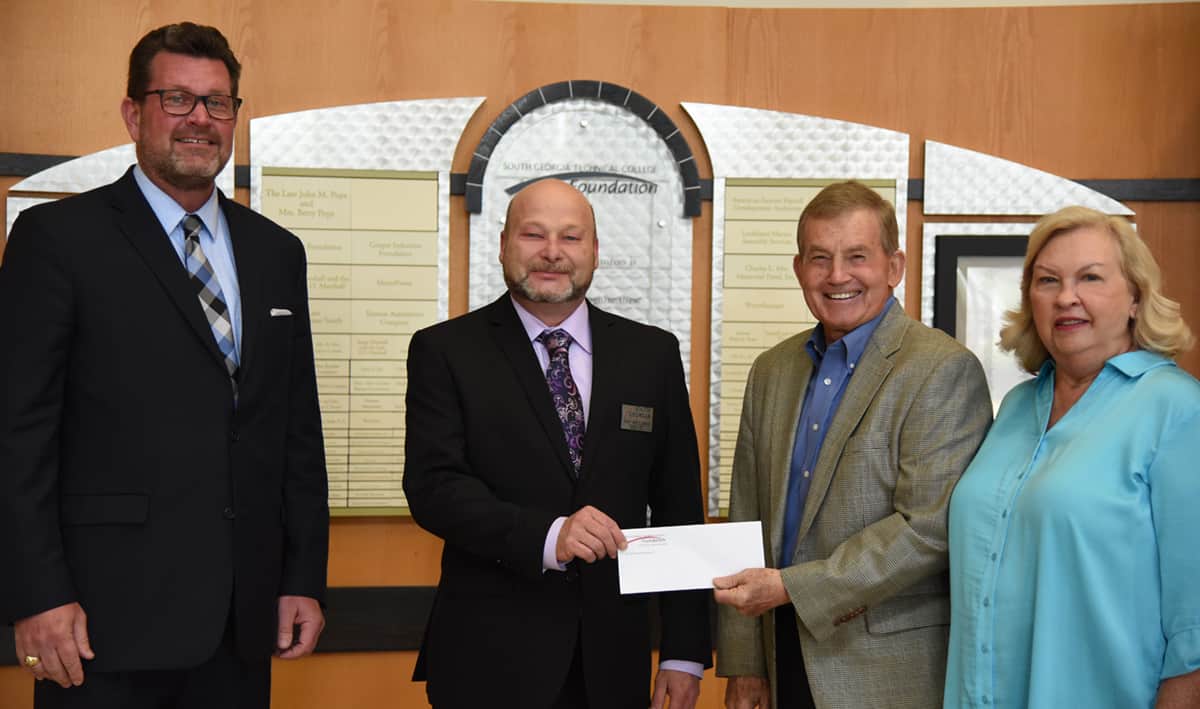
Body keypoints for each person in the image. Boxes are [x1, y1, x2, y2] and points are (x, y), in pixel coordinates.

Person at [0, 22, 328, 708]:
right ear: (133, 113)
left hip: (240, 625)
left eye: (218, 102)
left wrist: (301, 576)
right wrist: (37, 593)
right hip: (99, 624)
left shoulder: (276, 252)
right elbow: (17, 434)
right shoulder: (57, 241)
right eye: (176, 99)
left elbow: (294, 429)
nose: (200, 119)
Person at [402, 178, 711, 708]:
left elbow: (679, 505)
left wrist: (685, 653)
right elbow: (434, 489)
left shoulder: (651, 355)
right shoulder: (446, 351)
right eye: (533, 235)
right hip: (487, 660)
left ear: (595, 252)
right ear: (502, 245)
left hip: (614, 662)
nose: (551, 253)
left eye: (571, 237)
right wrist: (549, 536)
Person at [713, 181, 992, 709]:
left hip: (887, 671)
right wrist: (746, 664)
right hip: (782, 656)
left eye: (857, 257)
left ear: (895, 266)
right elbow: (745, 519)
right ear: (799, 270)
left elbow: (927, 529)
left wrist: (793, 589)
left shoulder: (941, 370)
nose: (837, 275)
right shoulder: (771, 370)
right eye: (820, 258)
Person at [944, 206, 1200, 708]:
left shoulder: (1176, 408)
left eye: (1091, 277)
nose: (1066, 297)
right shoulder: (1017, 407)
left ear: (1134, 296)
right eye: (1048, 280)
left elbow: (1195, 619)